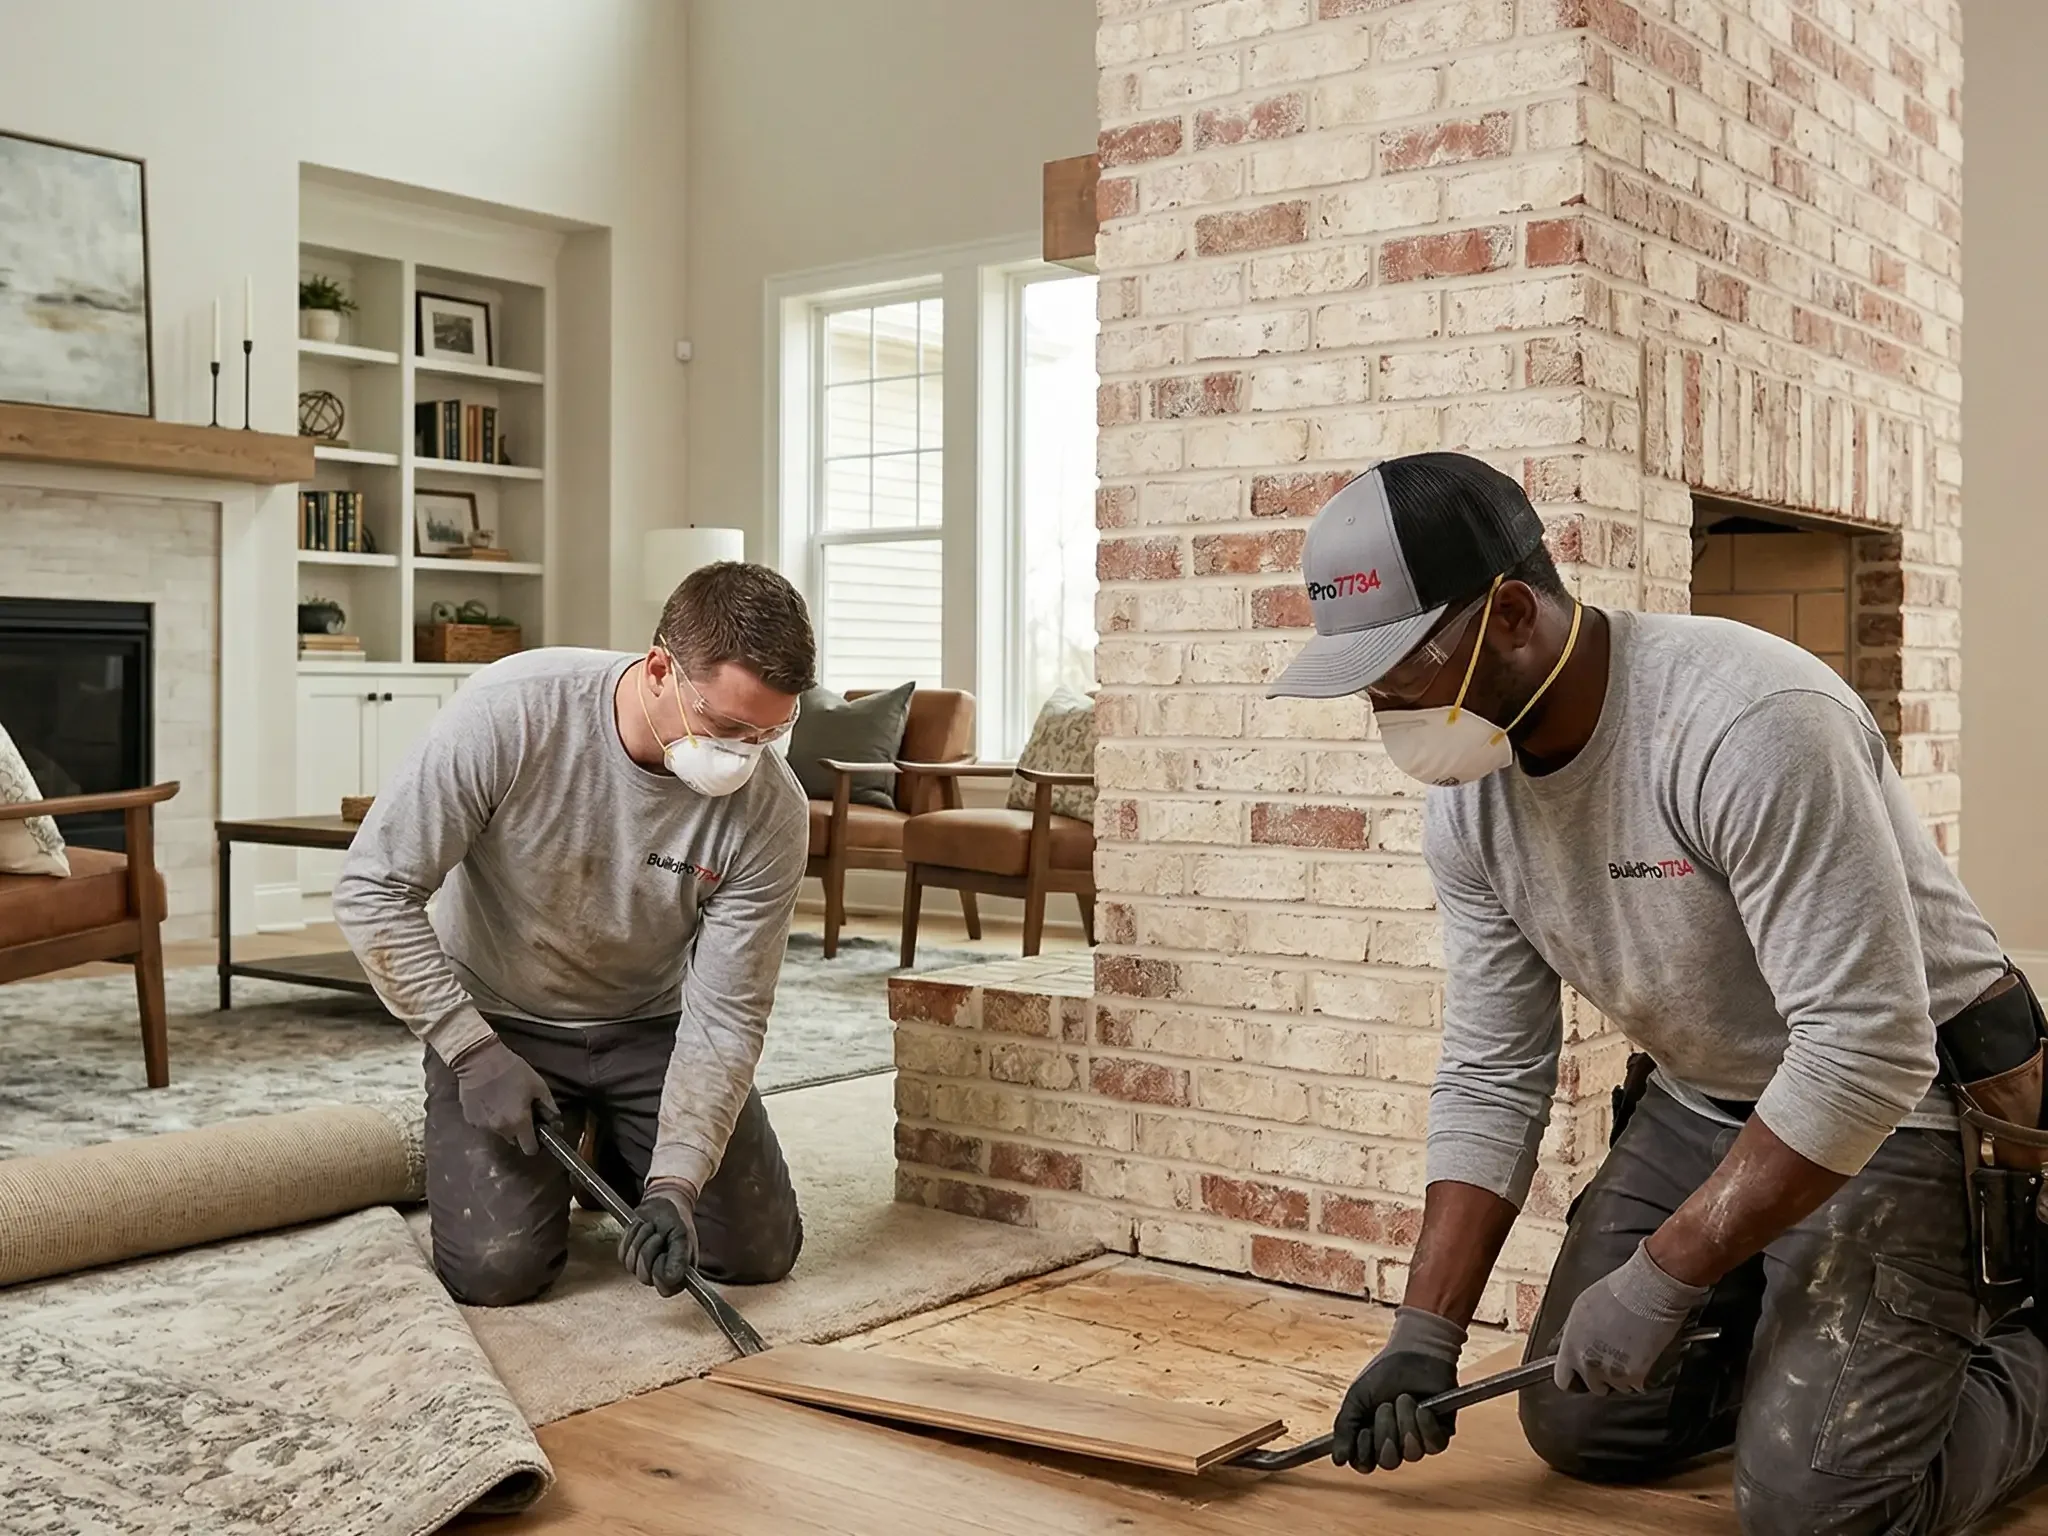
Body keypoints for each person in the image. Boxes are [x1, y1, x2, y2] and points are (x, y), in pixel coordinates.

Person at [1268, 452, 2048, 1534]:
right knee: (1583, 1428)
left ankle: (2020, 1349)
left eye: (1397, 664)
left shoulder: (1746, 718)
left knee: (1821, 1514)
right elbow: (1494, 1071)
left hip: (1905, 1108)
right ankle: (1814, 1352)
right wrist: (1422, 1336)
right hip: (1704, 1097)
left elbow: (1867, 1050)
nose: (1380, 699)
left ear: (1506, 612)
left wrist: (1666, 1275)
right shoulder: (1469, 800)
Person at [333, 561, 813, 1307]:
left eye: (770, 732)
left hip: (651, 1026)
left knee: (754, 1252)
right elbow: (374, 889)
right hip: (502, 1026)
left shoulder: (772, 811)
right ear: (660, 669)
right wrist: (470, 1049)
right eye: (726, 727)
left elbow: (727, 1012)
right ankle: (590, 1137)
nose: (745, 755)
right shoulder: (510, 713)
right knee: (497, 1272)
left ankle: (630, 1149)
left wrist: (678, 1181)